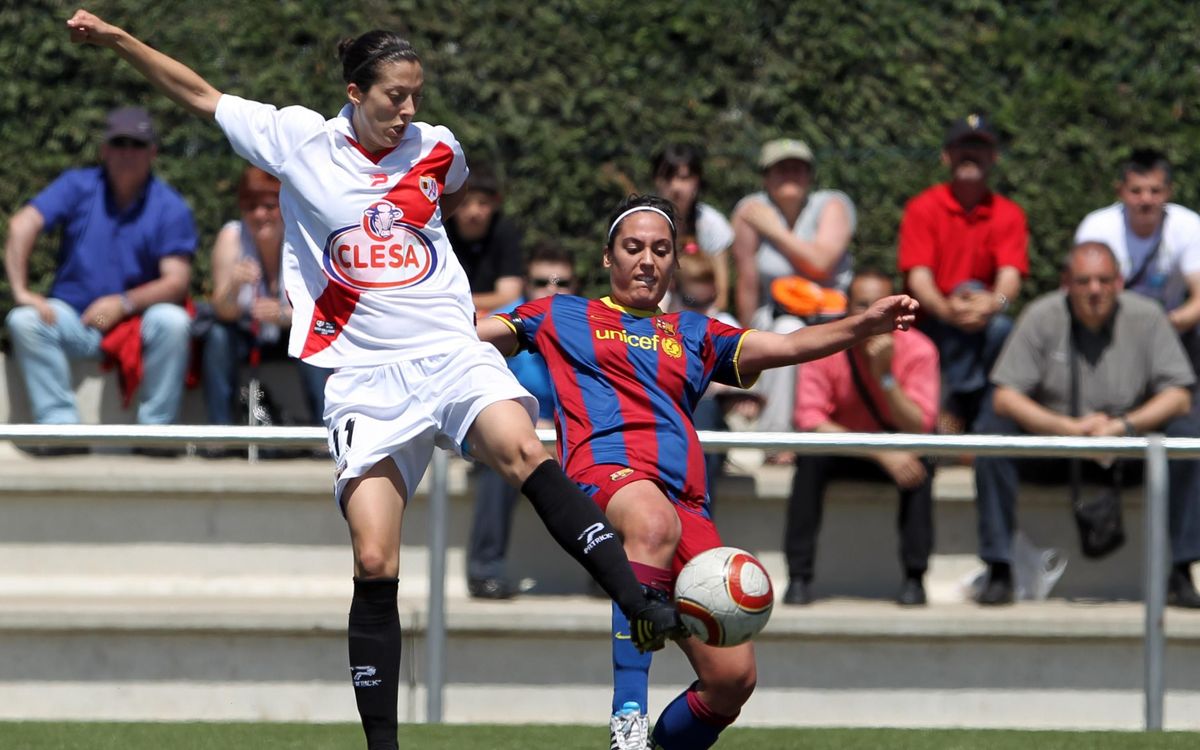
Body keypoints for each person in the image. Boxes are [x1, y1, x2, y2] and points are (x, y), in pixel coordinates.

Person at [65, 11, 683, 749]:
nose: (409, 110)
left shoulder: (439, 149)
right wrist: (119, 40)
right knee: (373, 556)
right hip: (359, 374)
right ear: (355, 91)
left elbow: (429, 211)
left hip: (449, 351)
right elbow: (199, 95)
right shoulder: (297, 140)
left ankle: (637, 597)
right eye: (394, 95)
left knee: (522, 450)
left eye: (416, 94)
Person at [477, 194, 917, 750]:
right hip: (606, 471)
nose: (647, 260)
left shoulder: (696, 332)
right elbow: (470, 334)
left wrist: (862, 324)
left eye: (660, 250)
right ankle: (628, 724)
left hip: (686, 501)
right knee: (652, 524)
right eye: (632, 247)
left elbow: (787, 344)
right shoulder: (560, 313)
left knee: (732, 681)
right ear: (607, 258)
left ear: (674, 263)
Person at [973, 242, 1200, 608]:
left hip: (1127, 447)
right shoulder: (1041, 315)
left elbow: (1179, 395)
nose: (1094, 290)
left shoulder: (1148, 315)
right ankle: (999, 568)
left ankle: (1182, 570)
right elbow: (1005, 396)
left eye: (1103, 280)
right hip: (1055, 445)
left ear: (1119, 282)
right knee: (991, 435)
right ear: (1067, 283)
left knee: (1187, 439)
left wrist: (1123, 427)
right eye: (1083, 281)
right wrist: (1066, 428)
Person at [4, 105, 194, 452]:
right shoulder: (77, 185)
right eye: (119, 143)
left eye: (136, 144)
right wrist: (21, 291)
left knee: (174, 320)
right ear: (104, 150)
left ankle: (155, 435)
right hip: (74, 319)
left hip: (135, 325)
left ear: (152, 152)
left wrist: (123, 304)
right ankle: (61, 431)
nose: (127, 153)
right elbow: (21, 225)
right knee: (24, 319)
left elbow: (177, 280)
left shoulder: (170, 205)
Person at [784, 269, 939, 607]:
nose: (871, 315)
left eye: (880, 306)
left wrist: (884, 376)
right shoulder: (823, 345)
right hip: (847, 448)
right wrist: (880, 452)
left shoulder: (920, 349)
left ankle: (915, 577)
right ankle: (798, 576)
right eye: (862, 305)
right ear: (846, 308)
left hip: (900, 448)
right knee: (809, 458)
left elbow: (920, 425)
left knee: (922, 463)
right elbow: (810, 421)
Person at [898, 113, 1027, 434]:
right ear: (946, 156)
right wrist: (948, 310)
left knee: (1001, 327)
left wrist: (991, 303)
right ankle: (970, 410)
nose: (970, 155)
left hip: (983, 321)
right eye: (962, 147)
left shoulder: (1008, 213)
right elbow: (919, 278)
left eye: (978, 148)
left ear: (993, 157)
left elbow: (1010, 278)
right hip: (933, 319)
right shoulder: (922, 207)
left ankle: (957, 406)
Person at [466, 242, 576, 599]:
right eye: (543, 281)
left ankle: (618, 573)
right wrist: (529, 421)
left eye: (563, 282)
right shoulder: (500, 324)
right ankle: (485, 573)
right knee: (502, 458)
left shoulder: (589, 324)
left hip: (568, 435)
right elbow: (480, 387)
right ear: (527, 284)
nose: (552, 290)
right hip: (504, 428)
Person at [730, 138, 857, 438]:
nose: (790, 175)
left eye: (798, 168)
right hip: (774, 316)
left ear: (810, 175)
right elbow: (747, 281)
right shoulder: (749, 211)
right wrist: (745, 342)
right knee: (784, 332)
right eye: (781, 169)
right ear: (766, 176)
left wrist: (774, 230)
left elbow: (822, 264)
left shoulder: (833, 204)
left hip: (831, 316)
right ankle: (776, 439)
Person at [198, 165, 332, 431]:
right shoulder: (232, 237)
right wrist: (234, 286)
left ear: (284, 207)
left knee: (314, 335)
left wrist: (283, 315)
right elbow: (222, 312)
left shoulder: (303, 239)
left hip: (291, 333)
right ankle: (219, 433)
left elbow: (324, 310)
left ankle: (324, 430)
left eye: (270, 206)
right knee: (217, 336)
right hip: (247, 332)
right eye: (251, 207)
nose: (260, 215)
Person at [1074, 149, 1200, 396]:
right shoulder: (1096, 227)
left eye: (1155, 191)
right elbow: (1077, 293)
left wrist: (1163, 326)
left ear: (1169, 192)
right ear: (1120, 191)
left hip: (1172, 330)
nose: (1146, 199)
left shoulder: (1189, 226)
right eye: (1136, 191)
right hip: (1108, 332)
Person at [652, 144, 734, 312]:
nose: (675, 186)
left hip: (703, 312)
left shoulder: (712, 224)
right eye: (668, 178)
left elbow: (722, 296)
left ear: (697, 180)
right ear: (657, 180)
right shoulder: (643, 223)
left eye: (683, 178)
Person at [444, 162, 523, 316]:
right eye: (464, 203)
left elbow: (510, 295)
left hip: (492, 313)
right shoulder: (439, 232)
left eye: (483, 203)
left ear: (495, 203)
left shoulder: (505, 231)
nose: (474, 211)